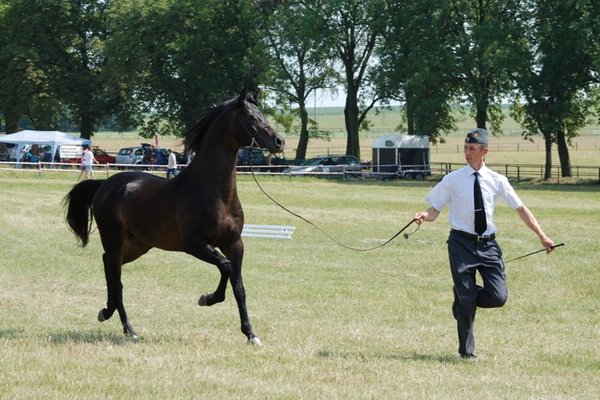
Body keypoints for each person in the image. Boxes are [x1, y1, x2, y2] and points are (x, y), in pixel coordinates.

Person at [413, 128, 555, 360]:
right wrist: (423, 215)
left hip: (488, 246)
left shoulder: (497, 180)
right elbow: (435, 209)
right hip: (461, 243)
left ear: (484, 151)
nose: (467, 153)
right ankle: (466, 351)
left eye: (472, 149)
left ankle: (461, 298)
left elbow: (520, 208)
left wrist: (542, 235)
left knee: (498, 297)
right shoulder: (452, 179)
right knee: (469, 298)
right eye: (466, 148)